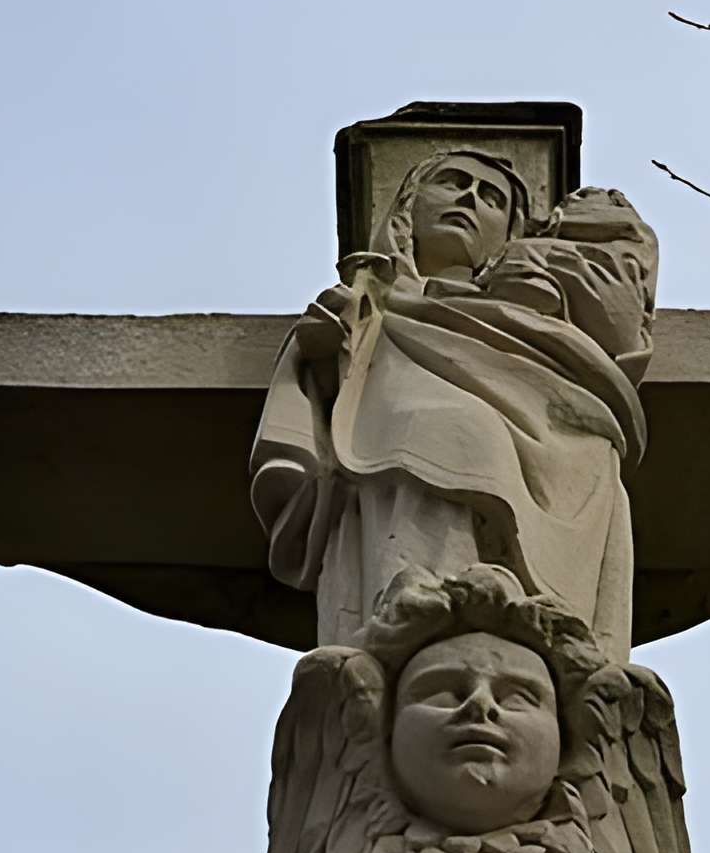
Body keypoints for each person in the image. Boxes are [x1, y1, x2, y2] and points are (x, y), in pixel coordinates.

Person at [250, 150, 657, 661]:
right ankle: (416, 629)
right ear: (408, 208)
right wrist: (326, 351)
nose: (469, 198)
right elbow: (323, 388)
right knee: (444, 432)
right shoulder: (367, 303)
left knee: (591, 457)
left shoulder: (538, 302)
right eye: (453, 182)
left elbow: (618, 326)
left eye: (491, 198)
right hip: (406, 447)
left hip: (556, 446)